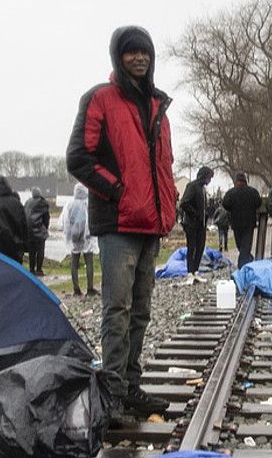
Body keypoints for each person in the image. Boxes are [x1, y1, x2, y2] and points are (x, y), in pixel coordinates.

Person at [66, 25, 177, 418]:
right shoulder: (100, 99)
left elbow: (164, 165)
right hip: (118, 223)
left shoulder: (157, 107)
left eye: (144, 52)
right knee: (117, 310)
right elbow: (79, 158)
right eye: (131, 52)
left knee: (141, 310)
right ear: (118, 57)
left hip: (150, 223)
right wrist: (117, 191)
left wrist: (169, 205)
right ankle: (112, 395)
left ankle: (130, 385)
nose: (139, 58)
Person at [0, 176, 29, 265]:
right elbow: (24, 225)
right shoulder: (17, 204)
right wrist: (25, 246)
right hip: (16, 249)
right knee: (15, 275)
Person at [63, 182, 97, 296]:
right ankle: (90, 288)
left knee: (74, 262)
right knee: (89, 262)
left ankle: (76, 289)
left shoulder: (70, 204)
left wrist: (68, 235)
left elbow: (65, 222)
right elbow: (90, 220)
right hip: (86, 237)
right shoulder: (87, 204)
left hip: (74, 236)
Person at [179, 166, 213, 277]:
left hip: (201, 224)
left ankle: (196, 270)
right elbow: (184, 203)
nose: (209, 180)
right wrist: (195, 214)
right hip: (191, 223)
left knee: (200, 247)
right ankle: (190, 271)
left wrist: (205, 215)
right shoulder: (192, 186)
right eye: (209, 177)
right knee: (192, 247)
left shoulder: (203, 190)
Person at [221, 172, 262, 267]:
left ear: (236, 181)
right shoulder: (252, 192)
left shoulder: (231, 193)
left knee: (239, 245)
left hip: (236, 223)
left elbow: (225, 204)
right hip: (249, 223)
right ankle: (247, 260)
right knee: (246, 245)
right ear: (245, 181)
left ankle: (242, 263)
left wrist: (232, 209)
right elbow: (258, 203)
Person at [25, 187, 51, 275]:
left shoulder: (27, 202)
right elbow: (46, 218)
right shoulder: (43, 203)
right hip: (39, 230)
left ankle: (31, 269)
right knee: (40, 251)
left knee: (31, 251)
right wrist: (45, 229)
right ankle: (39, 269)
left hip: (29, 231)